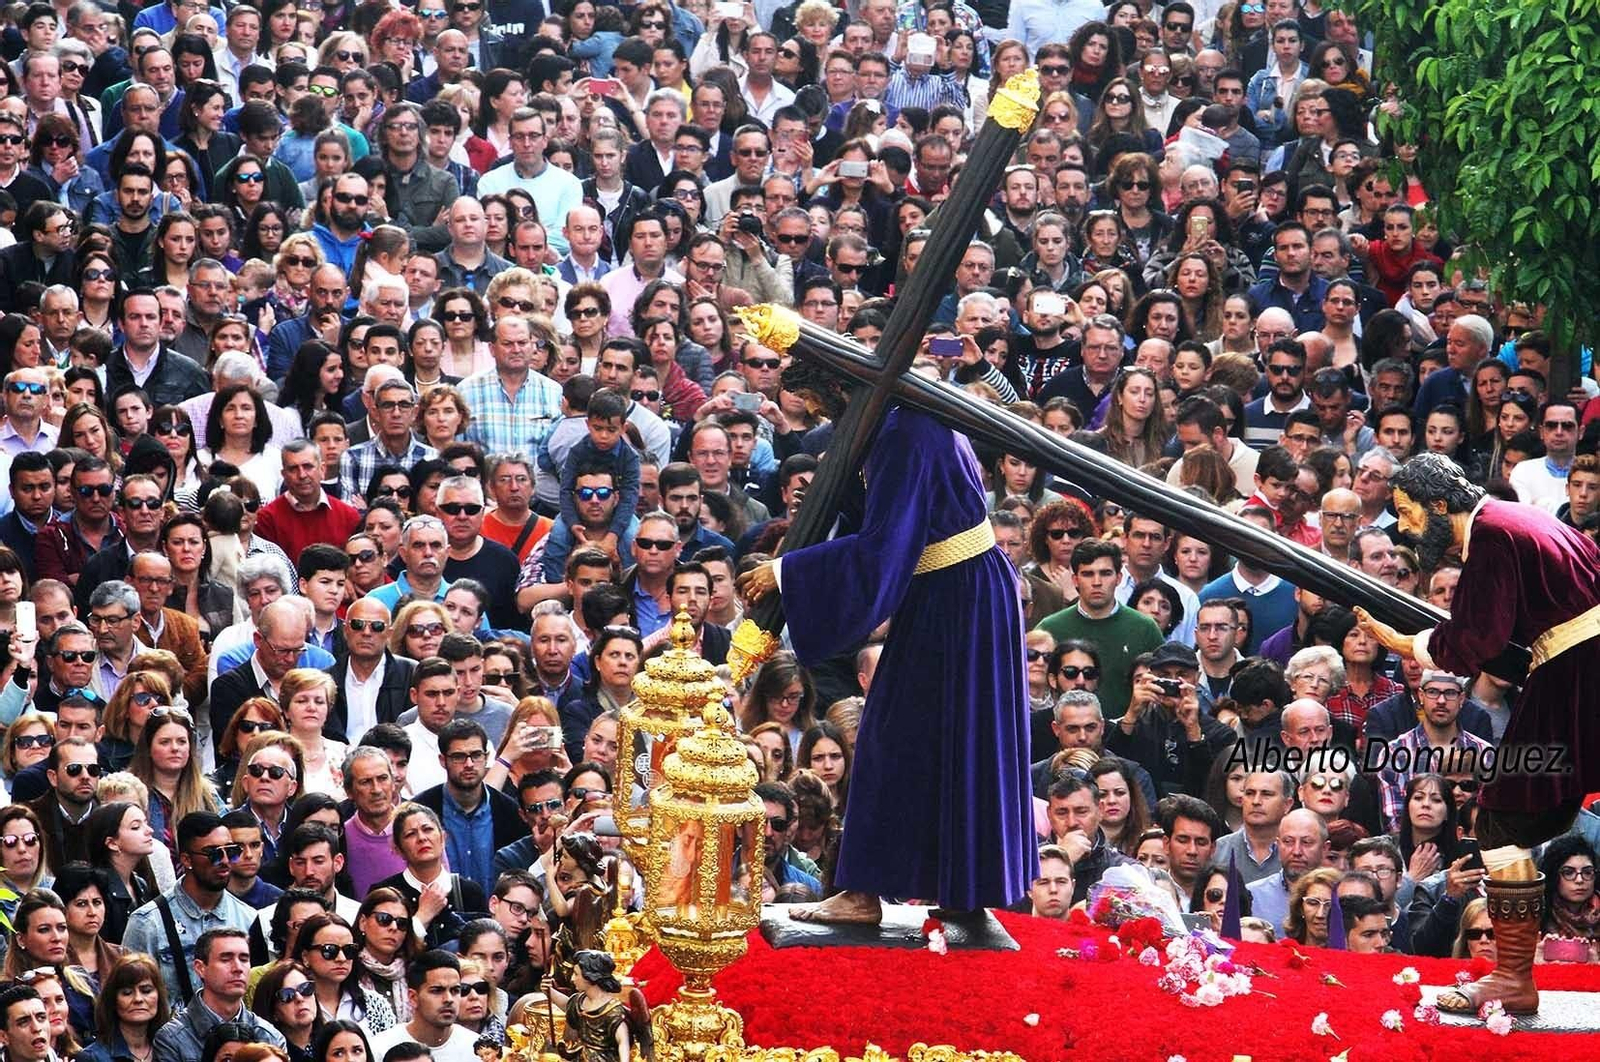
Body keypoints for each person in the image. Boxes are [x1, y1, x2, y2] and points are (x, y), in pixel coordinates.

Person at [737, 363, 1033, 924]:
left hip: (955, 597)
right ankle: (961, 888)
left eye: (825, 408)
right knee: (947, 741)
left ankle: (866, 891)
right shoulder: (901, 422)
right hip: (957, 592)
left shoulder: (904, 433)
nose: (825, 419)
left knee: (891, 736)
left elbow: (882, 549)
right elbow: (874, 519)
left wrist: (787, 575)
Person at [122, 812, 259, 1003]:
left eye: (232, 851)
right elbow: (130, 995)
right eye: (214, 854)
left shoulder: (248, 918)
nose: (226, 861)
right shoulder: (148, 922)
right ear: (186, 860)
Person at [151, 927, 285, 1062]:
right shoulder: (172, 1039)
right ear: (200, 968)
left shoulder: (269, 1036)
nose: (238, 968)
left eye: (244, 959)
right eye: (226, 959)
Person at [364, 951, 478, 1062]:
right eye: (437, 991)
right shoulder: (379, 1049)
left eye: (455, 990)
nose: (449, 999)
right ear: (413, 997)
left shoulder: (477, 1050)